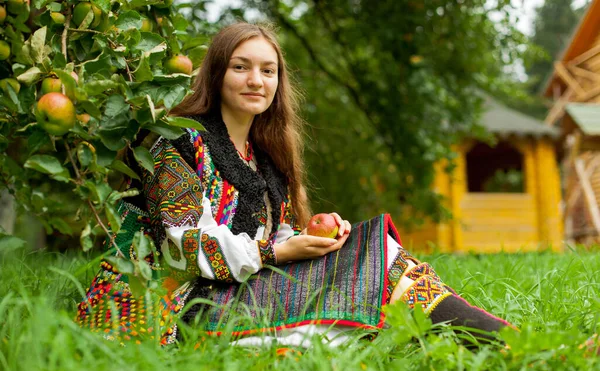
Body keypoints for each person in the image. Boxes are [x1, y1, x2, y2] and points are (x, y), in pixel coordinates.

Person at [75, 22, 512, 347]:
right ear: (215, 74)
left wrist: (314, 238)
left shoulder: (263, 157)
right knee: (377, 275)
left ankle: (500, 344)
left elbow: (273, 235)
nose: (256, 81)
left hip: (229, 288)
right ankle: (503, 346)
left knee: (376, 255)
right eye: (241, 67)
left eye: (268, 71)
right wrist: (279, 251)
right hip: (161, 310)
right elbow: (186, 247)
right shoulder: (175, 141)